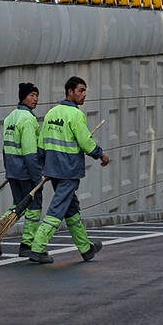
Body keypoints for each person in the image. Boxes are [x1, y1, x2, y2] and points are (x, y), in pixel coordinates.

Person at [29, 76, 110, 264]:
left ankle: (85, 248)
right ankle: (37, 246)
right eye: (81, 90)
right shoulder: (76, 115)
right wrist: (101, 154)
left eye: (85, 91)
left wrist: (43, 165)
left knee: (71, 208)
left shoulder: (51, 112)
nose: (84, 95)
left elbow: (42, 142)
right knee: (58, 208)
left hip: (54, 170)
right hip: (69, 170)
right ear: (70, 91)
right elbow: (85, 142)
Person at [0, 82, 43, 258]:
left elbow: (5, 147)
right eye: (32, 95)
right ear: (23, 97)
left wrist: (9, 169)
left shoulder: (10, 117)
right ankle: (26, 245)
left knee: (18, 206)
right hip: (26, 172)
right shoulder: (28, 119)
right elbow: (30, 153)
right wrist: (37, 177)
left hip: (13, 171)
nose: (35, 99)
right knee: (34, 206)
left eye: (37, 95)